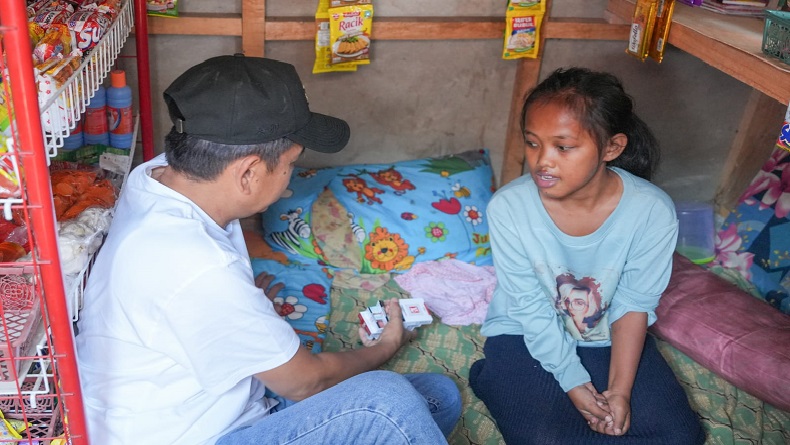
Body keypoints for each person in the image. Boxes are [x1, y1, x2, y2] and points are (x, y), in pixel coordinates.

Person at [75, 54, 460, 445]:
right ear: (248, 174)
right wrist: (386, 345)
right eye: (292, 164)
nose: (291, 178)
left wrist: (241, 308)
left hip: (226, 408)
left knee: (436, 396)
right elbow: (306, 383)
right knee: (388, 402)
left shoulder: (158, 178)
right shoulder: (197, 265)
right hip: (199, 436)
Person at [468, 67, 705, 445]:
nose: (543, 161)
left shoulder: (651, 210)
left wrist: (619, 391)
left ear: (612, 147)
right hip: (525, 333)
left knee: (678, 436)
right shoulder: (509, 208)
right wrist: (574, 383)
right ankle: (495, 372)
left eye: (563, 147)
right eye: (533, 143)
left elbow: (632, 304)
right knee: (544, 438)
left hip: (609, 336)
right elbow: (528, 305)